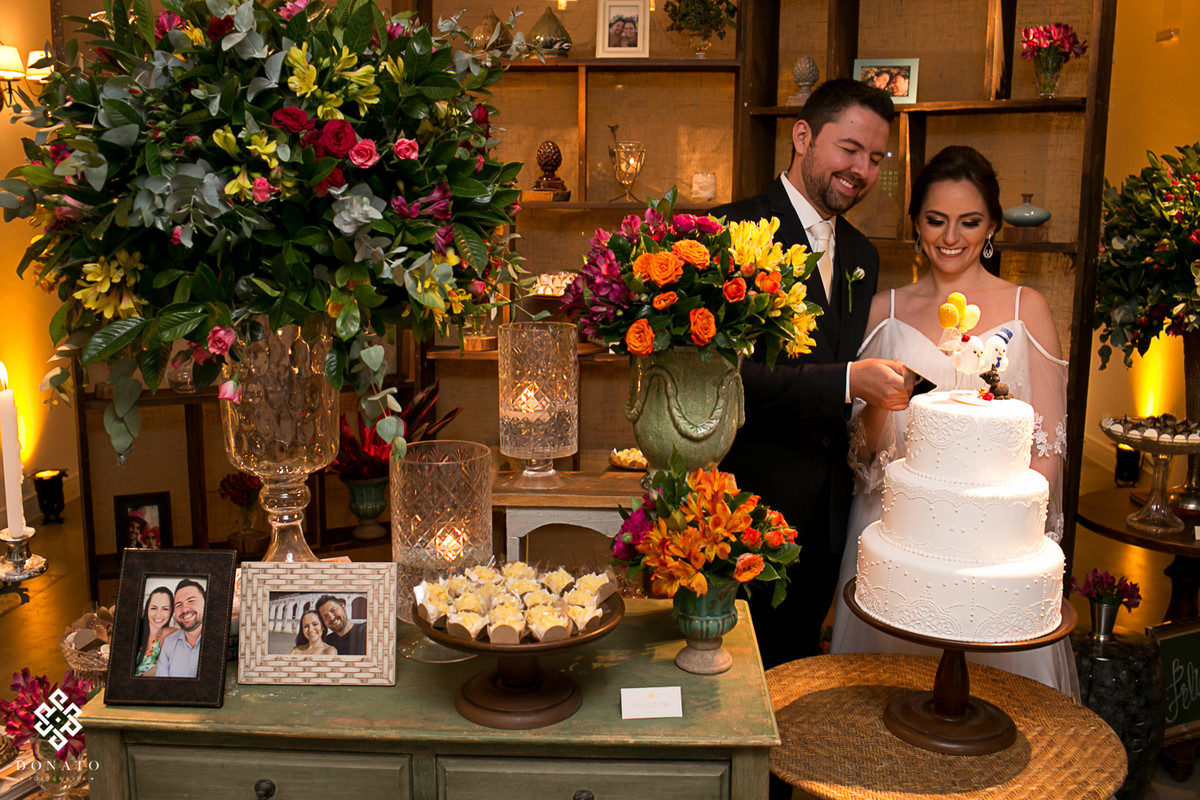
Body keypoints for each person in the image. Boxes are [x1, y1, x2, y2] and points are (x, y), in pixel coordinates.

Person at [829, 145, 1078, 696]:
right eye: (936, 220)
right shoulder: (881, 312)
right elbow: (862, 456)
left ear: (992, 226)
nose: (950, 237)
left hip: (991, 548)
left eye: (969, 222)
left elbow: (1049, 444)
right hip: (895, 532)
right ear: (916, 223)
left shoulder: (1025, 309)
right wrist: (879, 407)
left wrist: (1007, 537)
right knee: (880, 710)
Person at [711, 79, 908, 671]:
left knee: (798, 682)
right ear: (803, 137)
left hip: (828, 521)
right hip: (744, 508)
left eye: (875, 159)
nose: (862, 170)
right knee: (735, 678)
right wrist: (849, 381)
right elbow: (728, 379)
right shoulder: (730, 233)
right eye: (849, 149)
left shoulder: (864, 257)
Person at [156, 579, 206, 678]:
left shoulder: (220, 639)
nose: (184, 609)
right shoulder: (169, 643)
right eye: (178, 605)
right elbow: (160, 685)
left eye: (191, 601)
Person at [134, 586, 177, 677]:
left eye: (165, 609)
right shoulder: (136, 631)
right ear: (147, 609)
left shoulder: (168, 634)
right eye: (154, 608)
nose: (158, 614)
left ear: (171, 612)